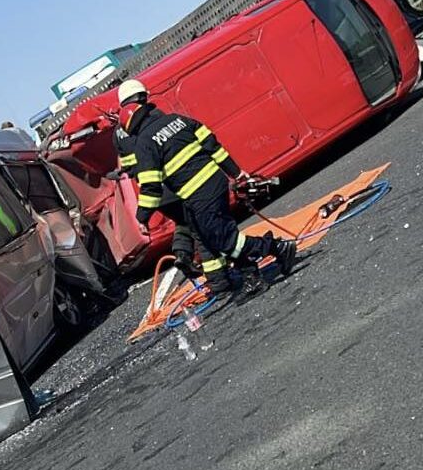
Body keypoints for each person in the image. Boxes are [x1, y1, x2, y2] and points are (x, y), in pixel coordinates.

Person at [118, 79, 296, 302]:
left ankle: (276, 247)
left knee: (225, 241)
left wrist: (141, 218)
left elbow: (151, 187)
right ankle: (253, 278)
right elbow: (212, 145)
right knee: (214, 237)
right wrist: (236, 172)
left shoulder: (144, 142)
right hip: (215, 184)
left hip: (198, 194)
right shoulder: (177, 120)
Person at [108, 80, 202, 280]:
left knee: (183, 221)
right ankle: (206, 265)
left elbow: (129, 166)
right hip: (169, 182)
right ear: (142, 96)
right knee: (197, 222)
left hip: (150, 191)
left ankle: (183, 255)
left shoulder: (118, 133)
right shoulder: (153, 116)